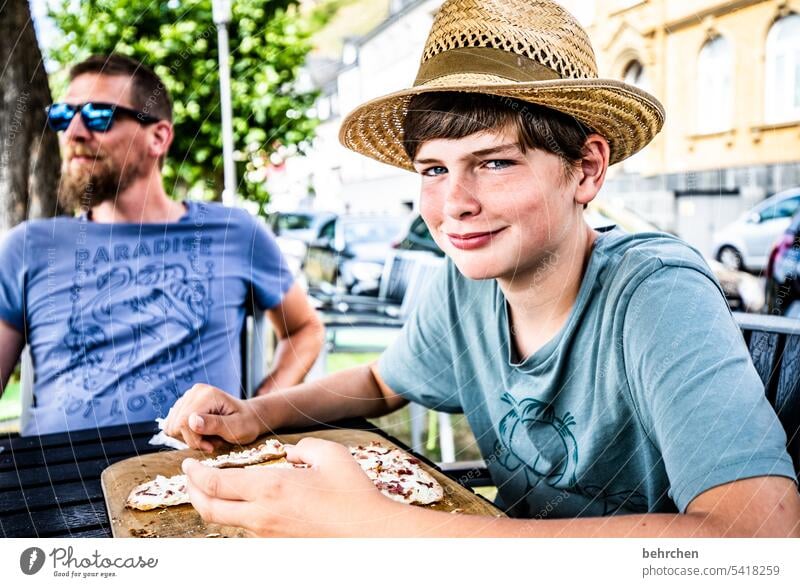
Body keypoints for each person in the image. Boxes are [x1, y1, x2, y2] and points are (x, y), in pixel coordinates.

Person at [165, 0, 800, 537]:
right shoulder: (465, 285)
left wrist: (386, 527)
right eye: (434, 170)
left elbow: (758, 535)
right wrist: (255, 414)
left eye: (495, 162)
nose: (456, 205)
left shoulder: (655, 293)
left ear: (586, 169)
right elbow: (383, 382)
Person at [0, 54, 324, 435]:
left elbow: (305, 329)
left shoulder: (233, 232)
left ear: (158, 137)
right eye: (63, 116)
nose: (74, 132)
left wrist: (258, 410)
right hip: (58, 479)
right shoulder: (30, 246)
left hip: (193, 471)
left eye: (99, 115)